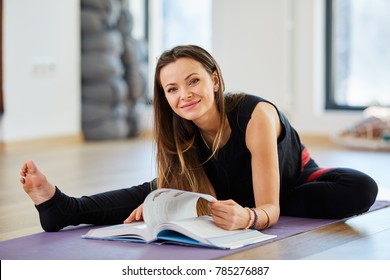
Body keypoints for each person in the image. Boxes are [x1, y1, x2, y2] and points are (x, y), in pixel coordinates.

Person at [20, 45, 378, 233]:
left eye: (193, 81)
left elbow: (269, 208)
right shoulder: (180, 129)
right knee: (154, 190)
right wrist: (168, 201)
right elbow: (202, 196)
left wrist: (251, 218)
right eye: (172, 89)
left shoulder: (255, 116)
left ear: (215, 80)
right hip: (227, 192)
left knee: (360, 187)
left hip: (290, 183)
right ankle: (60, 208)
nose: (185, 95)